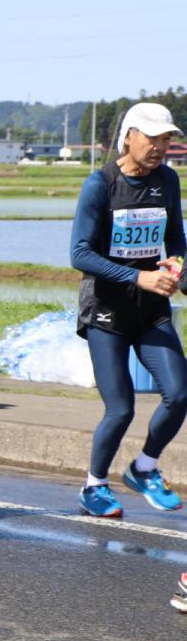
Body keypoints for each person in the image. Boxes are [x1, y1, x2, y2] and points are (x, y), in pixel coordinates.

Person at [70, 101, 186, 518]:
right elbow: (80, 254)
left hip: (150, 308)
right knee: (121, 408)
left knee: (180, 393)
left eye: (166, 139)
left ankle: (144, 468)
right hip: (106, 311)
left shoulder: (167, 180)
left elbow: (176, 238)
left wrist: (177, 268)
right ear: (129, 137)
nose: (159, 147)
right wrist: (138, 277)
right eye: (152, 138)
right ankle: (94, 485)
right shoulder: (100, 184)